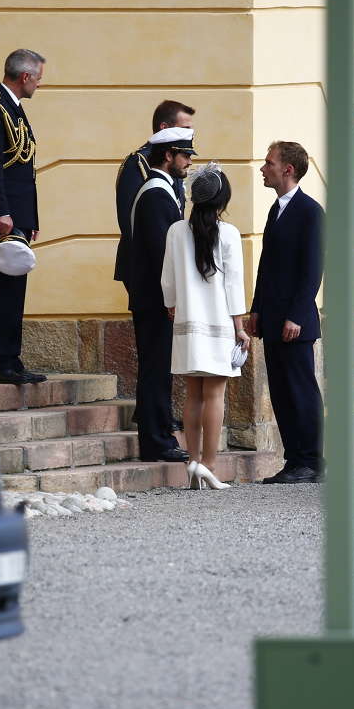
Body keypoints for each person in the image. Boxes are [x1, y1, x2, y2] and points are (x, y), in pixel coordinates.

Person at [161, 163, 249, 489]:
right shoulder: (228, 233)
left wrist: (172, 304)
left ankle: (193, 460)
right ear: (222, 199)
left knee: (193, 395)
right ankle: (209, 465)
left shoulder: (175, 230)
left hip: (186, 322)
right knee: (215, 396)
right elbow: (234, 285)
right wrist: (239, 327)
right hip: (219, 322)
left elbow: (167, 278)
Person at [249, 141, 324, 483]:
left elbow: (312, 269)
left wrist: (296, 314)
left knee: (300, 390)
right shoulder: (276, 209)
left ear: (288, 170)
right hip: (273, 318)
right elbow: (267, 265)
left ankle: (311, 461)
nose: (263, 169)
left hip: (295, 321)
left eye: (269, 163)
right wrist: (256, 310)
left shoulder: (310, 211)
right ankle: (294, 460)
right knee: (280, 391)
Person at [0, 48, 47, 385]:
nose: (39, 86)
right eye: (38, 79)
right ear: (25, 76)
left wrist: (30, 218)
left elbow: (23, 171)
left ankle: (11, 358)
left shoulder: (12, 108)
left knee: (14, 285)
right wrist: (2, 212)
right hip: (2, 215)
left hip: (17, 214)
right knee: (0, 285)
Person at [128, 127, 196, 462]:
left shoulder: (164, 189)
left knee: (159, 366)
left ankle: (160, 436)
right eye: (184, 155)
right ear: (168, 156)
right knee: (155, 368)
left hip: (158, 297)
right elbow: (161, 255)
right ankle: (156, 441)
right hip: (155, 298)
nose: (187, 162)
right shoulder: (156, 193)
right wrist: (173, 297)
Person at [114, 100, 196, 289]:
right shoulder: (139, 163)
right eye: (184, 128)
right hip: (145, 265)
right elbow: (129, 220)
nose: (189, 133)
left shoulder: (175, 164)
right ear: (164, 128)